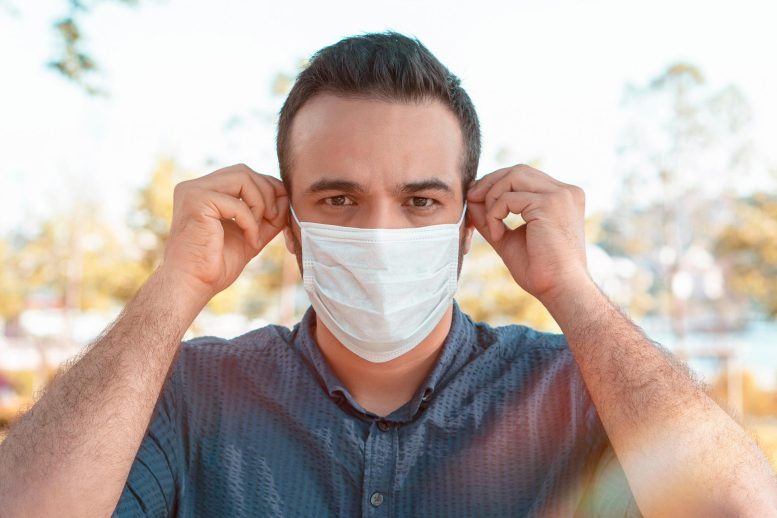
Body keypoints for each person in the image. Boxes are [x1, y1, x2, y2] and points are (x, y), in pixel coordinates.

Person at [1, 32, 775, 518]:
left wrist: (574, 291)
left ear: (468, 226)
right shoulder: (186, 395)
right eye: (337, 198)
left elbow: (739, 509)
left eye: (418, 200)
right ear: (291, 227)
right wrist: (174, 286)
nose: (378, 232)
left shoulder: (578, 393)